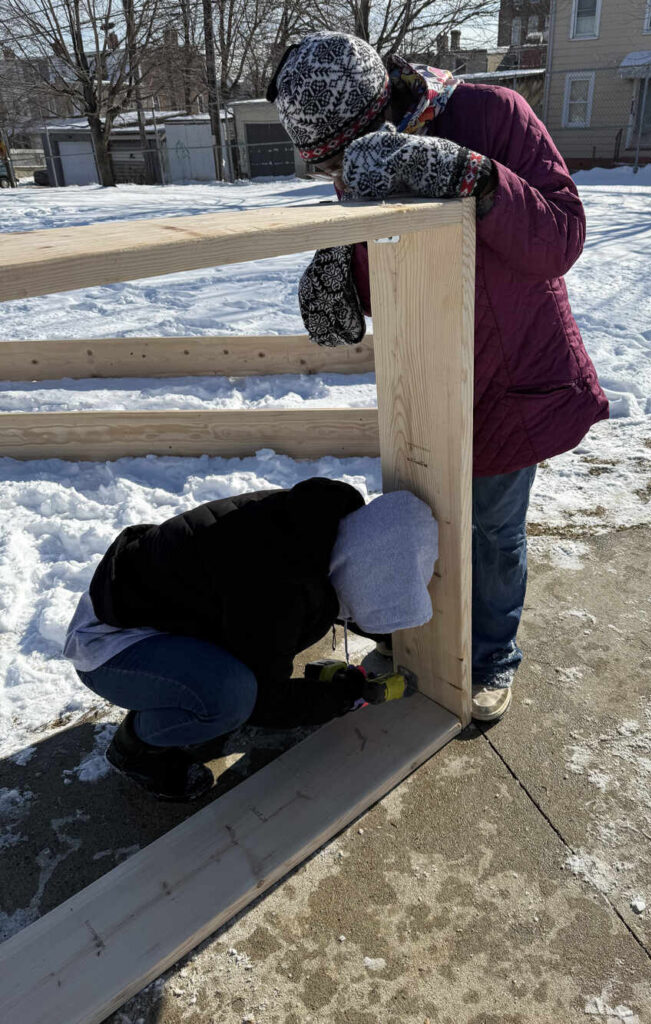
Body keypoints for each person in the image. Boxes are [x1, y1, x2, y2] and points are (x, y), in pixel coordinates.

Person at [267, 32, 609, 723]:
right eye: (325, 165)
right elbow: (388, 273)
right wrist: (336, 274)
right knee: (416, 524)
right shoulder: (361, 159)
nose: (338, 172)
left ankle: (489, 658)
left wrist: (473, 175)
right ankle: (417, 640)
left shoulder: (492, 116)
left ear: (377, 108)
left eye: (339, 156)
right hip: (423, 389)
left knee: (489, 534)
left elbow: (559, 240)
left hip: (510, 383)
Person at [63, 479, 438, 801]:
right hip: (110, 642)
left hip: (164, 609)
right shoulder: (274, 589)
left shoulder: (323, 527)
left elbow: (365, 576)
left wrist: (385, 633)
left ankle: (186, 696)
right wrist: (341, 698)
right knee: (231, 698)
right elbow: (265, 701)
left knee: (232, 687)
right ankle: (136, 747)